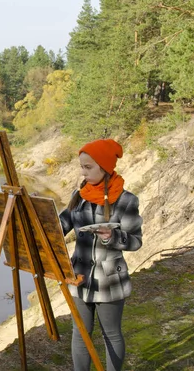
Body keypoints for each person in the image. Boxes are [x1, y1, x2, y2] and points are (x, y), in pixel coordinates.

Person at [58, 139, 143, 371]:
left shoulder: (126, 200)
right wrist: (37, 210)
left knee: (111, 334)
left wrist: (111, 237)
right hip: (79, 275)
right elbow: (60, 226)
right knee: (80, 334)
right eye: (81, 167)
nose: (82, 172)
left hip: (109, 278)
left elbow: (135, 241)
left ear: (104, 167)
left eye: (88, 167)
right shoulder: (79, 195)